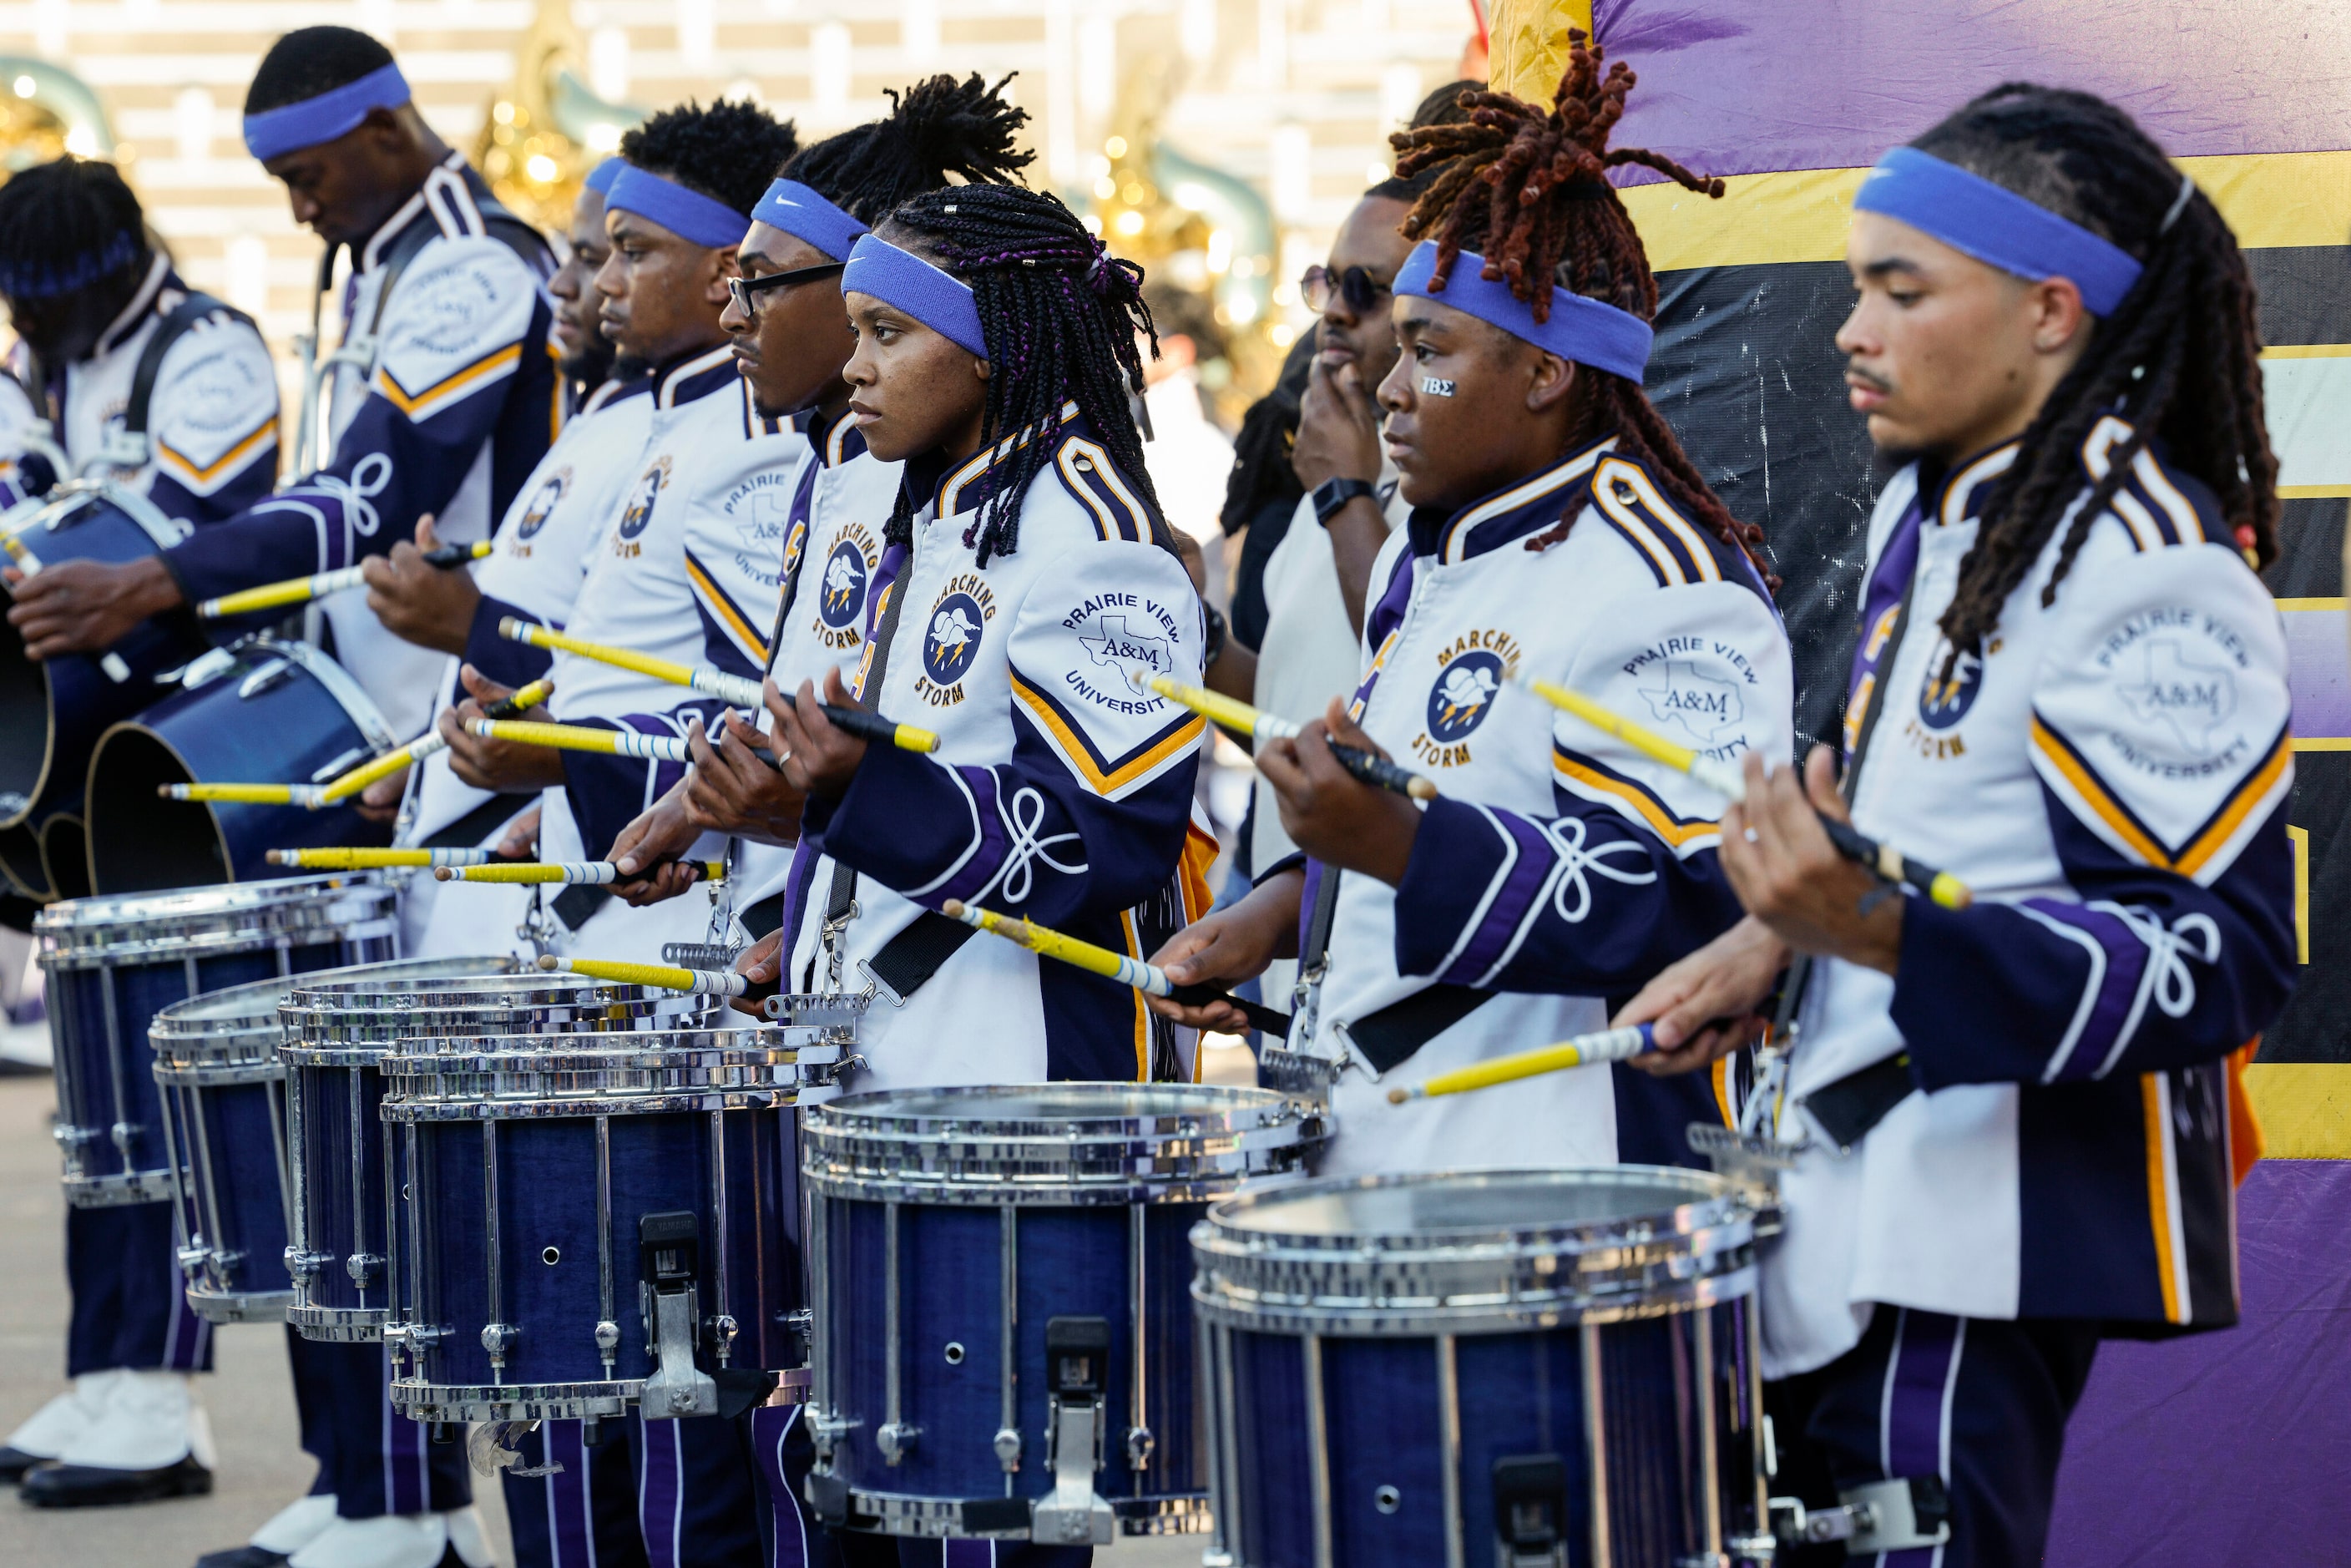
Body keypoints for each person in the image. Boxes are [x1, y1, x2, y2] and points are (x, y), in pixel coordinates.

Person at [1612, 84, 2298, 1565]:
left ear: (2051, 311)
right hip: (1849, 1237)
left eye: (1899, 290)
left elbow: (2216, 957)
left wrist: (1859, 926)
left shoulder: (2136, 553)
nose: (1850, 330)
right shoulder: (1947, 520)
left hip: (1973, 1256)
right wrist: (1766, 948)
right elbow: (1931, 831)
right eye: (1854, 286)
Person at [1145, 41, 1792, 1179]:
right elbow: (1450, 815)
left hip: (1559, 1200)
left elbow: (1688, 897)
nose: (1392, 387)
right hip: (1386, 1158)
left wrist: (1398, 839)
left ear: (1545, 371)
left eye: (1429, 353)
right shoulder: (1437, 555)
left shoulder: (1661, 576)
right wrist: (1279, 912)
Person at [4, 25, 559, 743]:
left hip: (466, 692)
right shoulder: (392, 256)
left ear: (384, 130)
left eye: (306, 178)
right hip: (404, 696)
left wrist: (145, 584)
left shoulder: (473, 263)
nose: (299, 212)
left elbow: (370, 493)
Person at [604, 73, 1034, 964]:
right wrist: (697, 802)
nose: (730, 314)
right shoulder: (828, 468)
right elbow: (809, 723)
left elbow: (943, 774)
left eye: (757, 283)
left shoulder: (948, 492)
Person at [0, 156, 276, 1511]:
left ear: (116, 264)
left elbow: (193, 546)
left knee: (163, 1072)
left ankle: (161, 1391)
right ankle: (104, 1366)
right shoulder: (40, 357)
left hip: (171, 762)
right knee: (93, 1079)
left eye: (50, 302)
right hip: (64, 771)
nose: (33, 327)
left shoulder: (206, 350)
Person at [431, 100, 802, 984]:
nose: (598, 283)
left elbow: (756, 708)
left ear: (723, 273)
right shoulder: (652, 414)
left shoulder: (750, 437)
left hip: (684, 916)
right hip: (607, 885)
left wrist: (561, 752)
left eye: (631, 253)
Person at [365, 155, 662, 964]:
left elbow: (637, 673)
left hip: (563, 880)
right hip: (477, 855)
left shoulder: (668, 436)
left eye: (600, 258)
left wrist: (465, 621)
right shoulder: (605, 411)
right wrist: (422, 769)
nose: (563, 285)